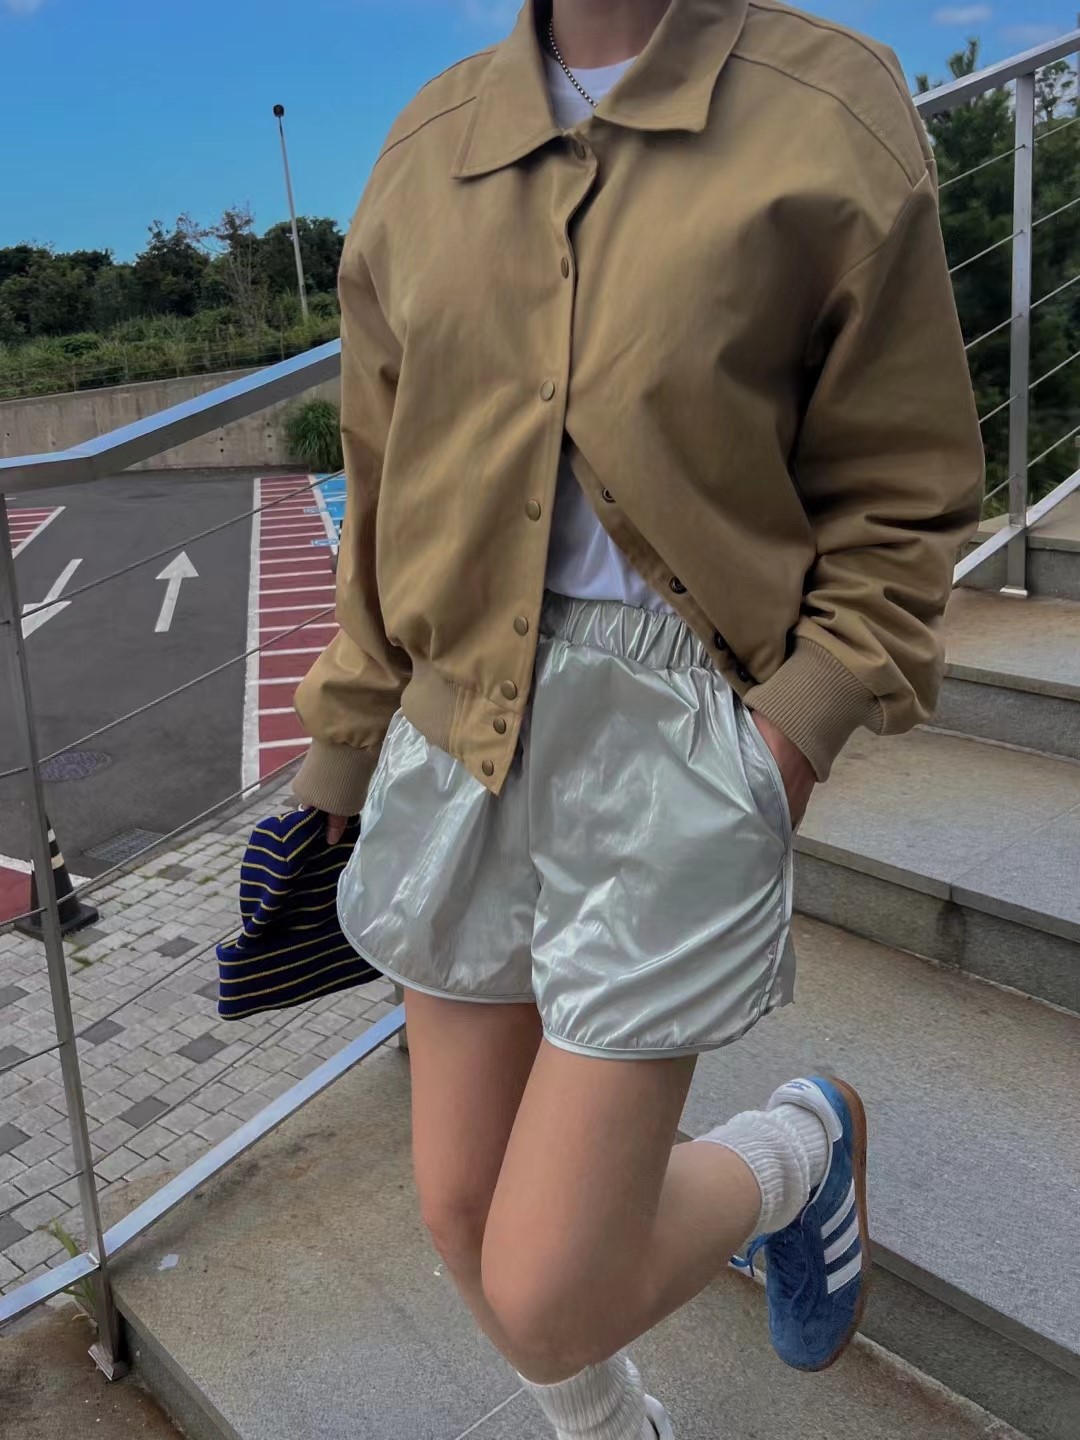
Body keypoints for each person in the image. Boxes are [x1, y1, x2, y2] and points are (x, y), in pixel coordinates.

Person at [293, 1, 983, 1434]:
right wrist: (343, 752)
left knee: (550, 1283)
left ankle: (798, 1149)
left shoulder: (824, 102)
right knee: (461, 1208)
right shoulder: (430, 144)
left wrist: (787, 741)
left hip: (683, 731)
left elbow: (905, 485)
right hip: (455, 724)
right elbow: (381, 479)